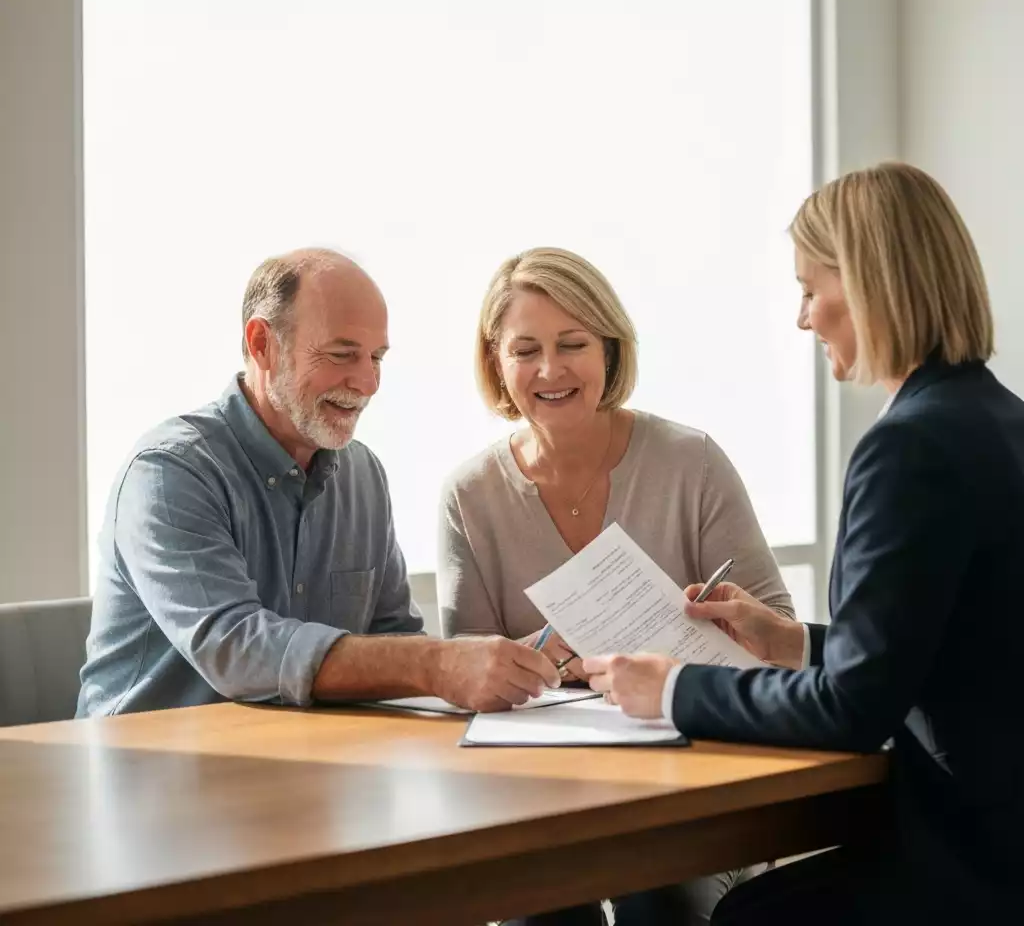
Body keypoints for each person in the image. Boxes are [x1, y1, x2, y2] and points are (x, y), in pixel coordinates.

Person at [585, 163, 1024, 923]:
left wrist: (669, 691)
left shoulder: (906, 449)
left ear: (868, 284)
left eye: (809, 289)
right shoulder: (1001, 422)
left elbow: (852, 710)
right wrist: (790, 641)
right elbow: (952, 653)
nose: (803, 319)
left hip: (971, 861)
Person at [437, 247, 795, 926]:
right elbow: (468, 677)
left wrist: (697, 636)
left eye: (572, 344)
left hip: (691, 782)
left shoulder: (691, 461)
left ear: (610, 349)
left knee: (660, 905)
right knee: (540, 914)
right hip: (543, 800)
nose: (550, 370)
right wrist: (543, 653)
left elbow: (776, 626)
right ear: (496, 362)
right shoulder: (469, 496)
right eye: (526, 349)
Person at [78, 249, 559, 717]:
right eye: (342, 354)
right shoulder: (168, 472)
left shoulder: (363, 475)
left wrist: (500, 666)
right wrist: (436, 663)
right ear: (262, 344)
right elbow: (236, 647)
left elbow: (392, 640)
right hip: (146, 775)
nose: (367, 382)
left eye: (376, 358)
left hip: (304, 771)